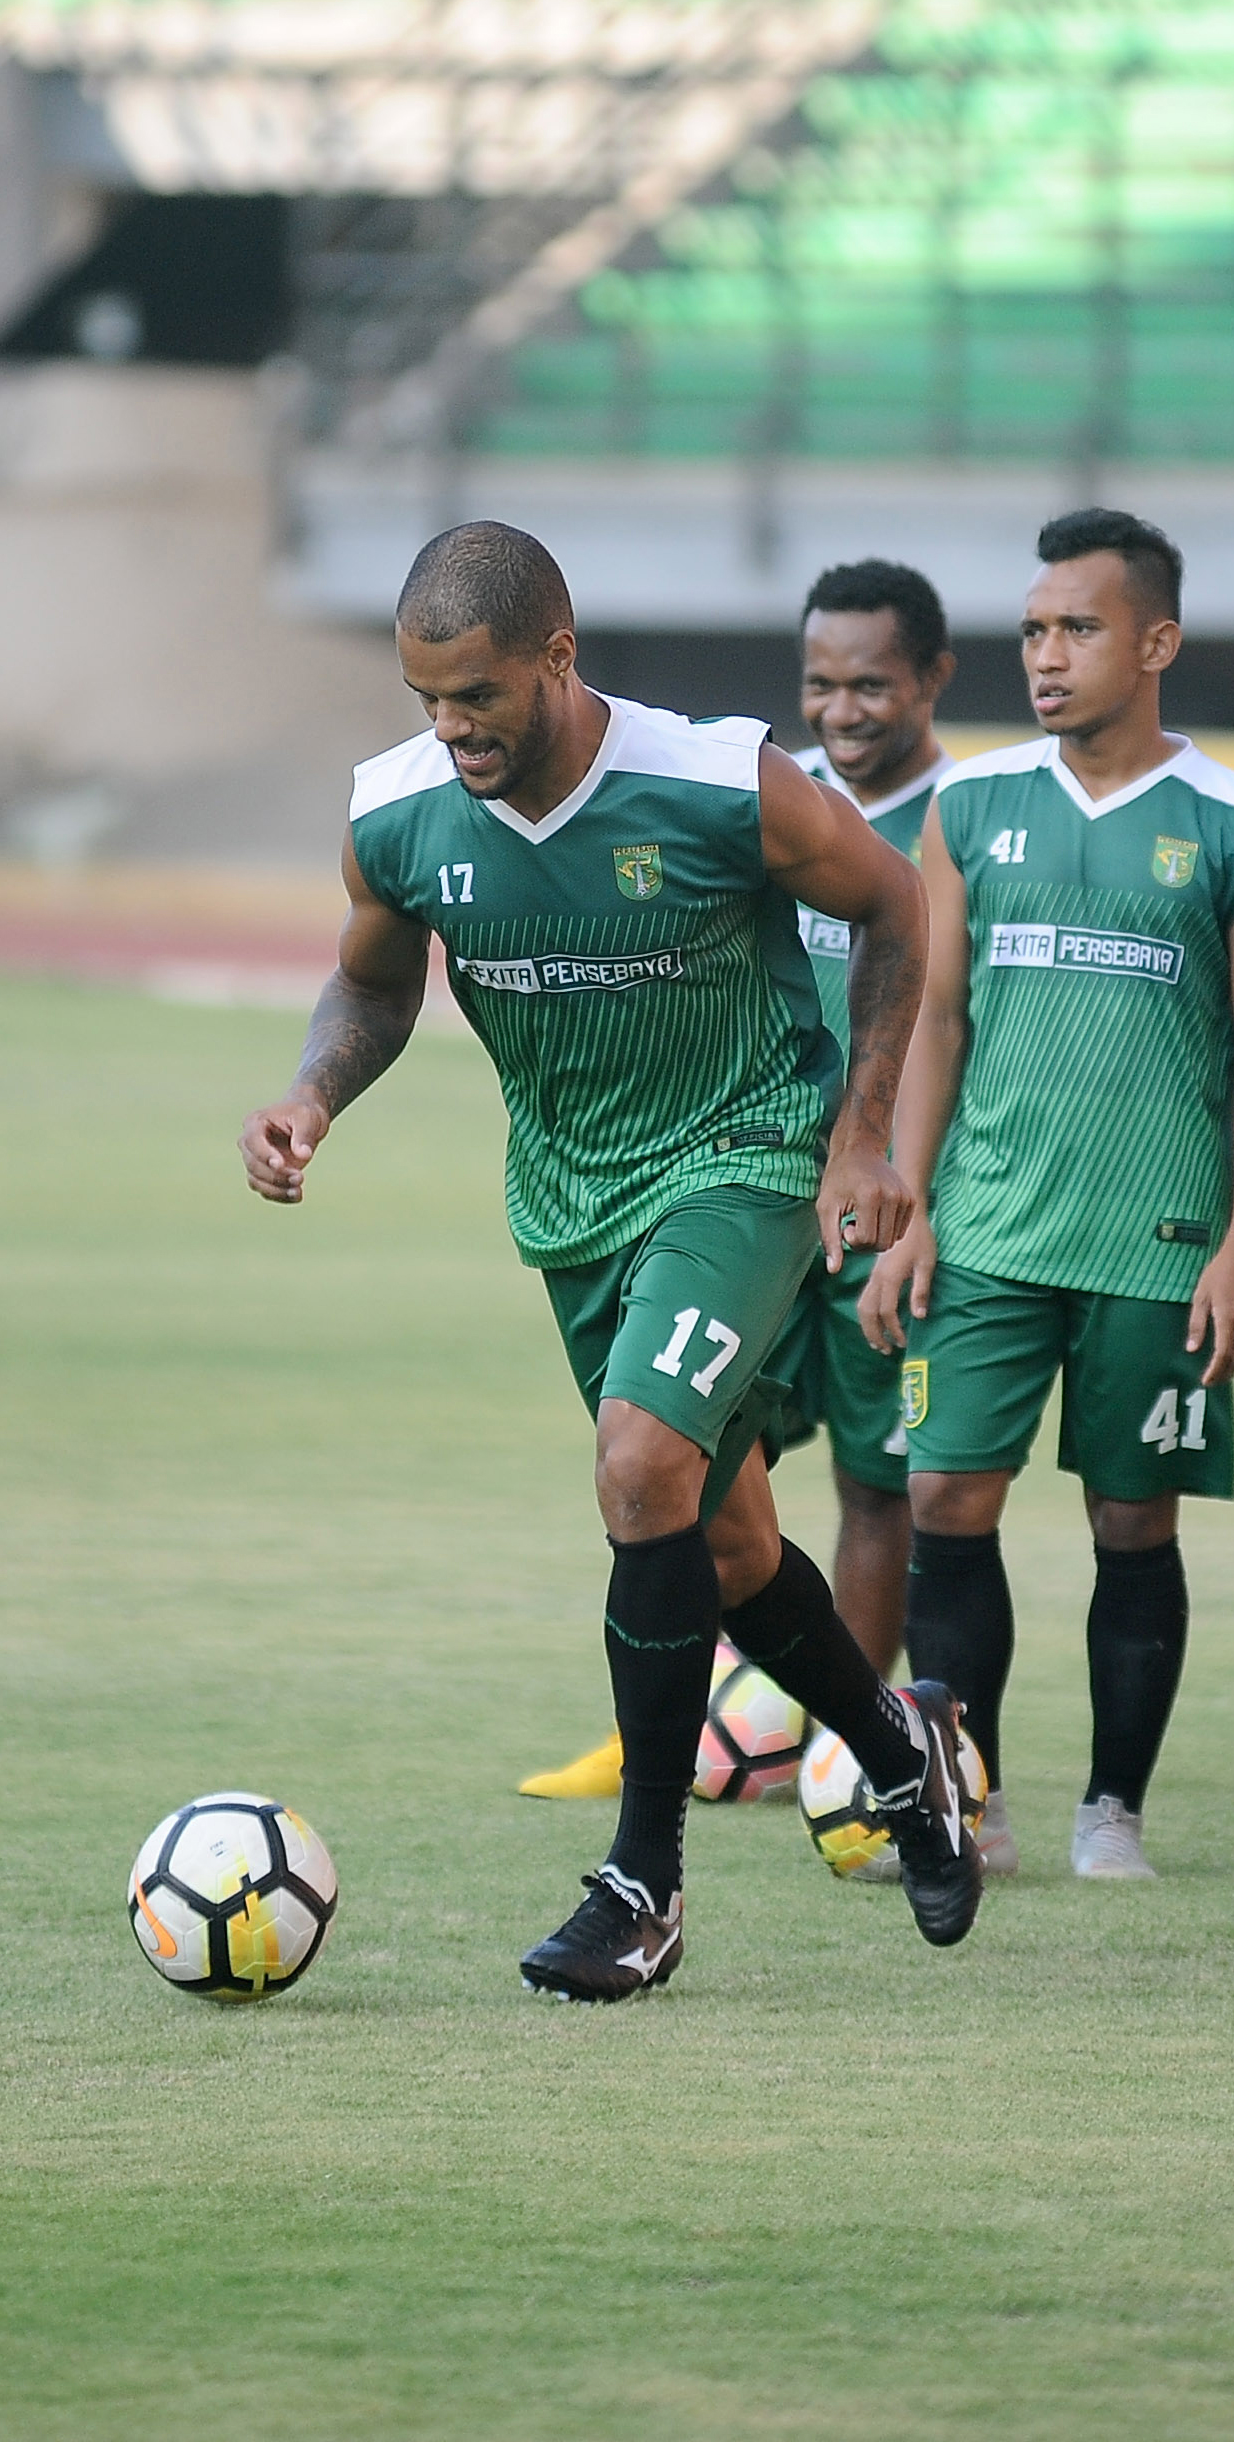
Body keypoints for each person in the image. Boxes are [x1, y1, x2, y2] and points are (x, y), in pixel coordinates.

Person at [240, 521, 984, 2000]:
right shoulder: (394, 817)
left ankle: (641, 1888)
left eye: (476, 700)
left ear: (555, 660)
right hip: (572, 1200)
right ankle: (905, 1758)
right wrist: (312, 1093)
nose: (449, 731)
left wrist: (860, 1136)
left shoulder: (715, 785)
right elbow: (374, 982)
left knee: (640, 1466)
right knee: (725, 1544)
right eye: (425, 702)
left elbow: (894, 909)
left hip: (743, 1156)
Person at [866, 509, 1234, 1882]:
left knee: (1133, 1520)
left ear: (1157, 642)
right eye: (1035, 632)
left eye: (1080, 630)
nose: (1047, 658)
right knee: (944, 1498)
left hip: (1159, 1243)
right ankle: (966, 1803)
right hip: (989, 1228)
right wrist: (910, 1200)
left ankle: (1112, 1808)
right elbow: (934, 1026)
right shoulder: (970, 809)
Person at [514, 559, 955, 1808]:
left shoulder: (963, 815)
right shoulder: (762, 801)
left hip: (873, 1201)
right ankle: (698, 1729)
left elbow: (961, 1022)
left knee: (874, 1482)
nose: (844, 709)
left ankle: (842, 1759)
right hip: (746, 1184)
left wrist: (913, 1179)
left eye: (871, 684)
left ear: (929, 680)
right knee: (698, 1483)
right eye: (820, 684)